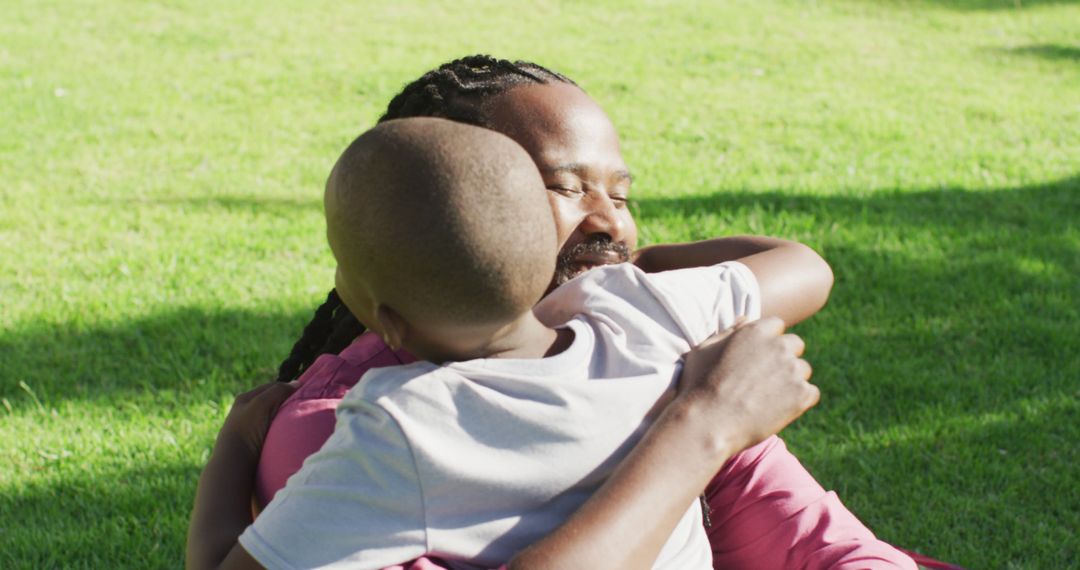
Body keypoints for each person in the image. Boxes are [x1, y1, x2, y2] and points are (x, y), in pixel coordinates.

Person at [191, 56, 916, 569]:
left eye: (622, 196)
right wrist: (701, 409)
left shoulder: (645, 326)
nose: (609, 221)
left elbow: (816, 544)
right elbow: (801, 268)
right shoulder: (344, 428)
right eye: (564, 188)